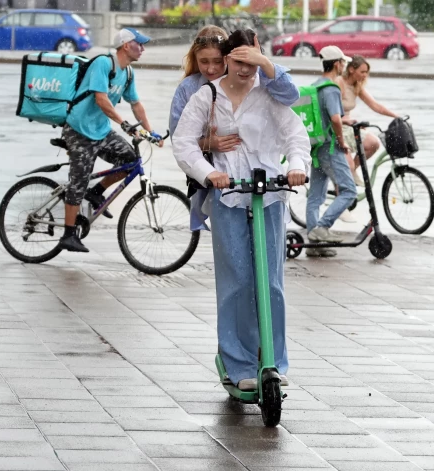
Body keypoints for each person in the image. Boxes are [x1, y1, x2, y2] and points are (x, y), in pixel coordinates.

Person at [172, 30, 310, 391]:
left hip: (270, 194)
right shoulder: (208, 95)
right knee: (237, 281)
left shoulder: (270, 94)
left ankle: (273, 362)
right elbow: (182, 141)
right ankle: (238, 364)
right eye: (238, 61)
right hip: (228, 195)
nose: (245, 69)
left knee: (272, 282)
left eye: (253, 61)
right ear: (226, 60)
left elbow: (297, 135)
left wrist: (296, 165)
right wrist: (210, 172)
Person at [169, 25, 299, 231]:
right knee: (229, 243)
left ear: (227, 59)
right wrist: (208, 144)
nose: (211, 69)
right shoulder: (191, 89)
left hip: (262, 180)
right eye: (204, 62)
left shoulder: (254, 82)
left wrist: (263, 61)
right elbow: (180, 138)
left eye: (217, 62)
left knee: (268, 250)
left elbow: (290, 98)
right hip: (216, 173)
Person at [59, 28, 164, 253]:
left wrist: (150, 132)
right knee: (79, 179)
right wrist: (123, 123)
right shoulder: (104, 64)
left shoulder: (128, 73)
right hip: (79, 130)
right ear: (126, 45)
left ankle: (95, 192)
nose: (143, 49)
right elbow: (101, 99)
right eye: (140, 44)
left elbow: (136, 104)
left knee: (129, 160)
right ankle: (68, 235)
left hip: (101, 131)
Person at [304, 46, 357, 257]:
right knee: (349, 191)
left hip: (316, 147)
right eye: (343, 62)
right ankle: (322, 228)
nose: (344, 66)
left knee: (315, 196)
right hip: (331, 147)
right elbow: (335, 119)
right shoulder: (332, 88)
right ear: (337, 64)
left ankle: (314, 244)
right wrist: (342, 142)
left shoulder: (315, 86)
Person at [336, 55, 399, 187]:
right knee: (347, 167)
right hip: (336, 126)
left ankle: (353, 171)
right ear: (352, 70)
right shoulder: (339, 82)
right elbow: (330, 110)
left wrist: (395, 116)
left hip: (349, 126)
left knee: (373, 143)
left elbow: (375, 105)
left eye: (366, 72)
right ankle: (347, 177)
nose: (365, 75)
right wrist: (344, 119)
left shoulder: (356, 86)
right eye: (362, 72)